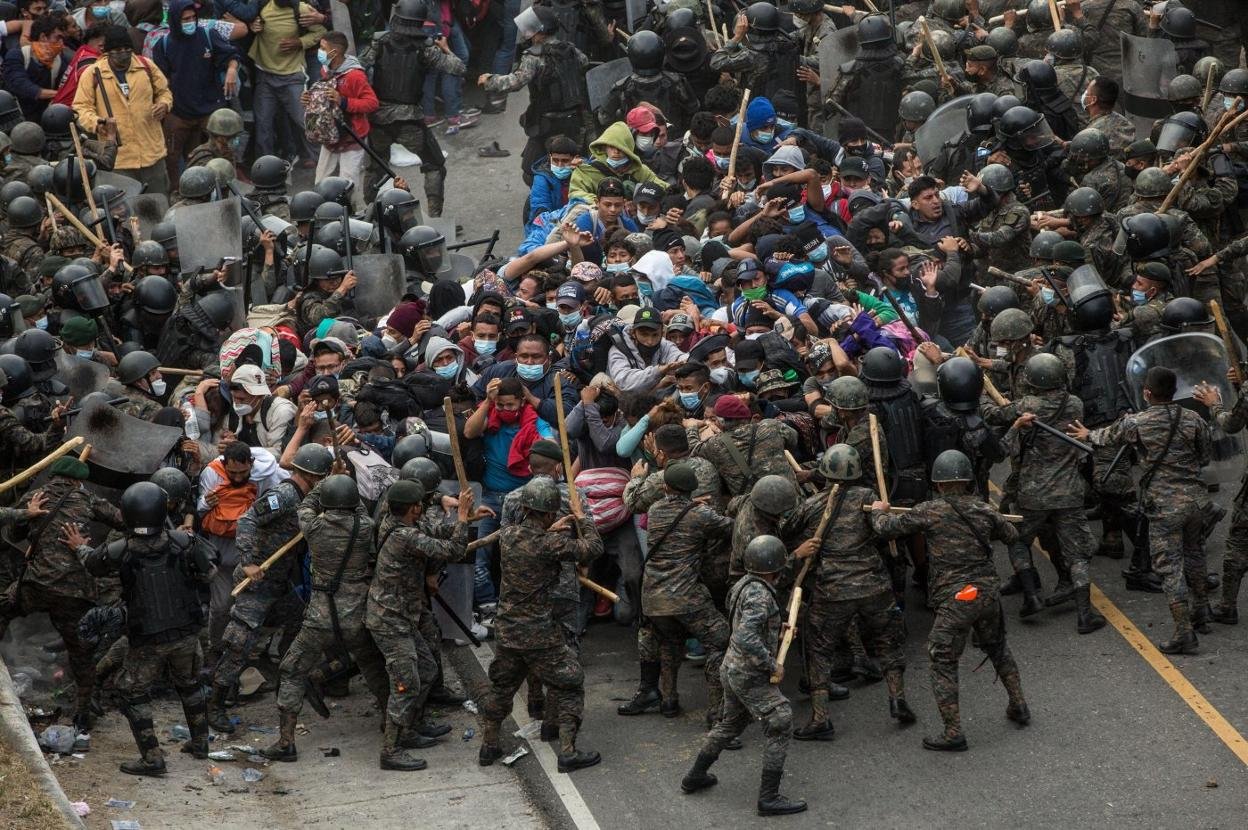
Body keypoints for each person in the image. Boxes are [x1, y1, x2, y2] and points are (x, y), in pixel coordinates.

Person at [870, 450, 1029, 751]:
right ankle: (1018, 703)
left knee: (942, 659)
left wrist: (879, 509)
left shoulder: (929, 511)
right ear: (967, 481)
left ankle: (953, 732)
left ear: (939, 484)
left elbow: (886, 529)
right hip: (986, 593)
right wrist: (991, 520)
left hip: (956, 597)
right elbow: (1011, 535)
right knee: (998, 648)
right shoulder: (984, 509)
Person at [67, 481, 214, 775]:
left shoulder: (120, 550)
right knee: (191, 685)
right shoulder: (184, 542)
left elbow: (93, 565)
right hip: (186, 632)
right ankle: (200, 743)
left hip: (148, 639)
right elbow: (209, 572)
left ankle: (152, 758)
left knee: (130, 692)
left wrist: (80, 548)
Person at [1071, 366, 1212, 653]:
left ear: (1147, 393)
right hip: (1196, 501)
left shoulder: (1137, 423)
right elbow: (1205, 455)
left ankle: (1184, 633)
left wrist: (1087, 434)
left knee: (1169, 567)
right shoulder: (1193, 419)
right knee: (1195, 554)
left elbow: (1105, 438)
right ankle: (1202, 610)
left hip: (1164, 505)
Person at [476, 477, 603, 772]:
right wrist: (582, 519)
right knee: (570, 682)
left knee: (502, 688)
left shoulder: (508, 536)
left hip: (507, 630)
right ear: (549, 513)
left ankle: (489, 745)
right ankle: (568, 751)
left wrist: (549, 530)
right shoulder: (551, 543)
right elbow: (592, 548)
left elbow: (528, 537)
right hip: (539, 633)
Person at [261, 474, 390, 761]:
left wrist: (323, 483)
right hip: (357, 615)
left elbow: (306, 504)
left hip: (319, 617)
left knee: (292, 670)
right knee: (374, 669)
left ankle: (286, 742)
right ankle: (390, 723)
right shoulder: (365, 527)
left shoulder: (314, 526)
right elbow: (359, 510)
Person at [208, 443, 331, 734]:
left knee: (301, 623)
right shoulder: (284, 496)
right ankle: (215, 704)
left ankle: (292, 676)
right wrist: (249, 561)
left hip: (278, 582)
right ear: (312, 477)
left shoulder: (307, 499)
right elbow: (248, 520)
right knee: (239, 644)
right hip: (256, 581)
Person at [679, 534, 807, 816]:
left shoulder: (744, 585)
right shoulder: (761, 595)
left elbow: (750, 625)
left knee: (731, 725)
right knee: (781, 720)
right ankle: (769, 798)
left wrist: (779, 629)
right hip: (749, 673)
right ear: (776, 568)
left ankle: (695, 776)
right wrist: (772, 665)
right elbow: (746, 635)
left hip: (732, 668)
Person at [369, 479, 476, 770]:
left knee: (427, 669)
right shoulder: (403, 535)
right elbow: (452, 551)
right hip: (389, 618)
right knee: (405, 683)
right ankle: (390, 750)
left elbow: (436, 531)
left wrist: (462, 520)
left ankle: (410, 729)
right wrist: (463, 518)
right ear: (415, 507)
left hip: (402, 614)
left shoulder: (397, 523)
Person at [479, 6, 591, 187]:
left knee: (530, 171)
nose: (528, 34)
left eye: (532, 30)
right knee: (575, 165)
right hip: (574, 121)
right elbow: (584, 63)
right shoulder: (571, 49)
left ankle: (546, 199)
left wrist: (490, 80)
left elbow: (515, 82)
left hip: (546, 124)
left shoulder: (533, 57)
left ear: (541, 32)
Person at [72, 25, 175, 195]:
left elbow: (164, 92)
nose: (124, 53)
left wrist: (164, 105)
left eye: (127, 49)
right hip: (118, 160)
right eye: (118, 50)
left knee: (158, 205)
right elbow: (80, 108)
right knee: (125, 211)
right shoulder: (93, 73)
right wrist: (97, 123)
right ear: (107, 52)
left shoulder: (146, 66)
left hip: (152, 153)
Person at [151, 0, 240, 186]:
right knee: (173, 158)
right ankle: (179, 194)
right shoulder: (163, 45)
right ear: (175, 21)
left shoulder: (208, 35)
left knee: (223, 152)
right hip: (179, 112)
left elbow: (231, 55)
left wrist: (232, 69)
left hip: (210, 109)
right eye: (185, 19)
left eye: (193, 17)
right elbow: (160, 80)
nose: (190, 22)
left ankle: (228, 189)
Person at [248, 0, 326, 169]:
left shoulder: (302, 9)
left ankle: (319, 157)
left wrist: (299, 42)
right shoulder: (262, 7)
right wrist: (253, 25)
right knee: (263, 124)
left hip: (292, 75)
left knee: (305, 119)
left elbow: (320, 32)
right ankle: (263, 167)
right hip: (265, 74)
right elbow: (247, 21)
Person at [308, 31, 377, 211]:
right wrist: (310, 99)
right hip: (330, 136)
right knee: (321, 180)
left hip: (351, 136)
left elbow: (371, 103)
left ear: (335, 52)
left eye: (323, 48)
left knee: (348, 184)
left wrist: (344, 101)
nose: (319, 52)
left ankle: (350, 216)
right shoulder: (326, 70)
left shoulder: (355, 76)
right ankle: (321, 215)